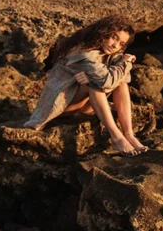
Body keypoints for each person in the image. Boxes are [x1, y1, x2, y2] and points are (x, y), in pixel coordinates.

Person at [21, 14, 147, 156]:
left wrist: (117, 67)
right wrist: (126, 62)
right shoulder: (82, 53)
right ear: (103, 32)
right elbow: (108, 81)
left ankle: (129, 134)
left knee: (121, 83)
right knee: (94, 83)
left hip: (85, 106)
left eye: (121, 43)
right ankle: (117, 138)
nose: (115, 45)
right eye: (114, 37)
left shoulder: (106, 51)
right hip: (62, 107)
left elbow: (122, 78)